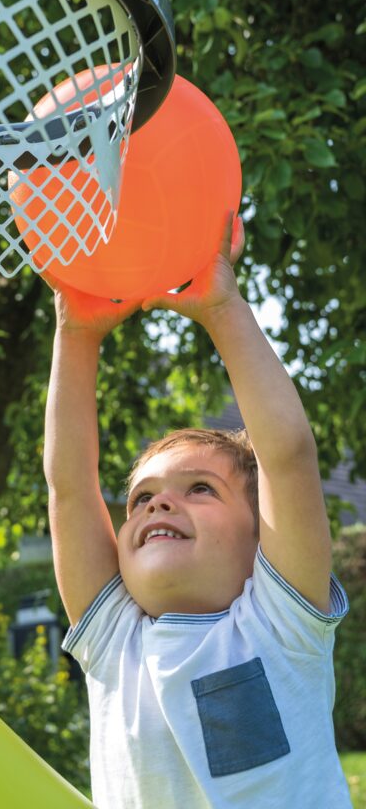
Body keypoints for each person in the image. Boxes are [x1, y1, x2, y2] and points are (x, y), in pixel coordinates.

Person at [44, 213, 351, 807]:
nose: (160, 501)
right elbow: (70, 487)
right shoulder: (115, 642)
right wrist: (74, 332)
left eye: (200, 489)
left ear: (263, 537)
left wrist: (221, 308)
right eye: (142, 498)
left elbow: (288, 456)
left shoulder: (278, 625)